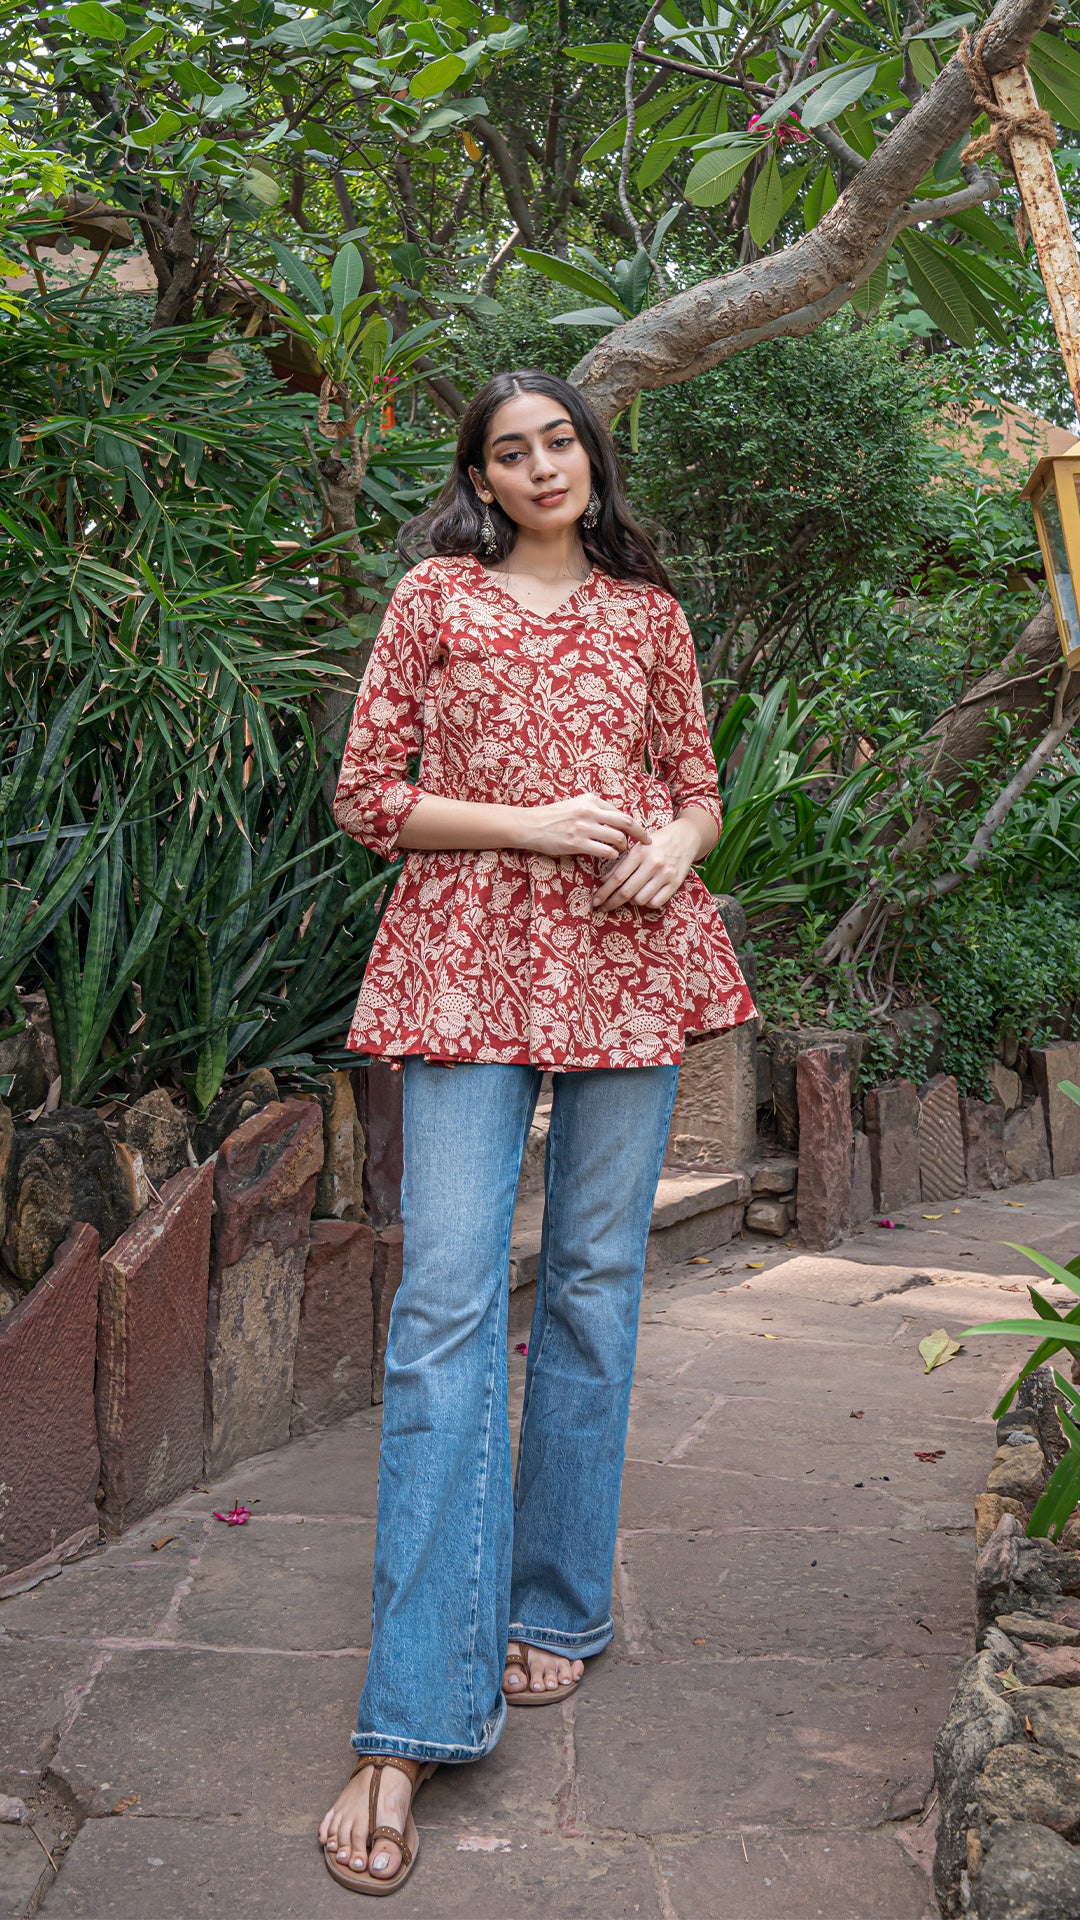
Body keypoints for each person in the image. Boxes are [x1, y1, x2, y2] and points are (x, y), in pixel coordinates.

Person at [319, 369, 756, 1894]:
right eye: (510, 451)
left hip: (630, 953)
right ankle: (410, 1717)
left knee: (593, 1288)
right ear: (483, 480)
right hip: (461, 954)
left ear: (589, 453)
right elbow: (371, 797)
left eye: (559, 438)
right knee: (444, 1303)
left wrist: (667, 843)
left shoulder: (650, 612)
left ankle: (558, 1608)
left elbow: (701, 786)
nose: (542, 464)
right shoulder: (436, 597)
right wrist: (534, 822)